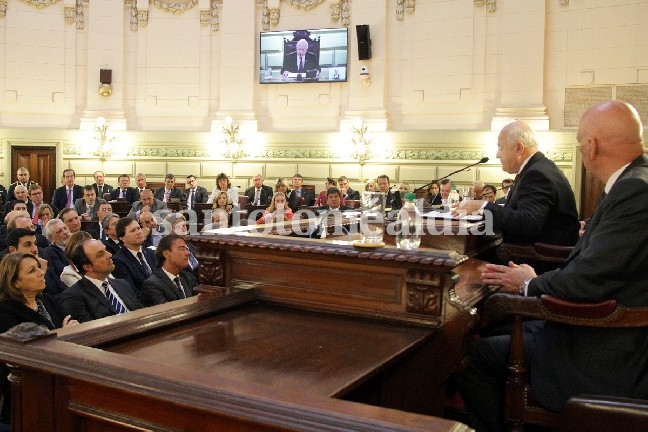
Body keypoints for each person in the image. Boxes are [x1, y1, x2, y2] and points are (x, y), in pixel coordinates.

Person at [457, 100, 648, 432]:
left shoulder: (634, 189)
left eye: (579, 143)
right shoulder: (634, 181)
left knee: (475, 357)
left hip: (605, 347)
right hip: (597, 320)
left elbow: (589, 280)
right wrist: (533, 279)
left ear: (591, 145)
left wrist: (529, 284)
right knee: (495, 329)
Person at [455, 120, 580, 248]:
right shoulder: (540, 167)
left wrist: (484, 207)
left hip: (532, 259)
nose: (497, 154)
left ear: (519, 148)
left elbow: (529, 223)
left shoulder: (536, 174)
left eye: (501, 147)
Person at [0, 252, 78, 424]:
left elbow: (72, 325)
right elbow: (26, 352)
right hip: (30, 392)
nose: (41, 272)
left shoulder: (48, 301)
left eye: (38, 267)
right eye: (31, 270)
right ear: (15, 282)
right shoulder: (5, 312)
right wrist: (63, 333)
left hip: (63, 378)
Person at [61, 239, 142, 323]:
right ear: (87, 267)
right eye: (100, 255)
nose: (109, 255)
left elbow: (141, 312)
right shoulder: (73, 296)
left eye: (106, 250)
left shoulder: (122, 284)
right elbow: (87, 332)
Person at [140, 234, 198, 307]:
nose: (188, 253)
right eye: (181, 249)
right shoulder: (152, 285)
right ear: (166, 254)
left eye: (186, 249)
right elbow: (166, 312)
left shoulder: (189, 277)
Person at [111, 217, 156, 299]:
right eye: (133, 231)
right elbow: (131, 292)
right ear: (122, 238)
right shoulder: (118, 261)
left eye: (138, 228)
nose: (138, 232)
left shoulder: (150, 253)